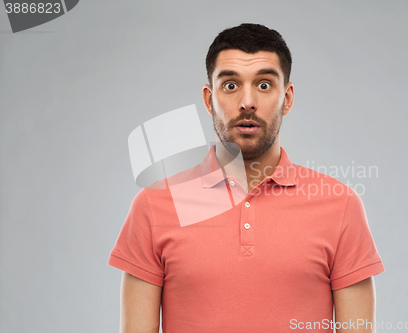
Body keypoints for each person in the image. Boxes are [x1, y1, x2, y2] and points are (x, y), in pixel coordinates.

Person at [108, 23, 385, 333]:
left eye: (264, 85)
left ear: (288, 98)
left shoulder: (341, 206)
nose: (247, 102)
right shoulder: (154, 205)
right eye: (230, 85)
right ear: (209, 99)